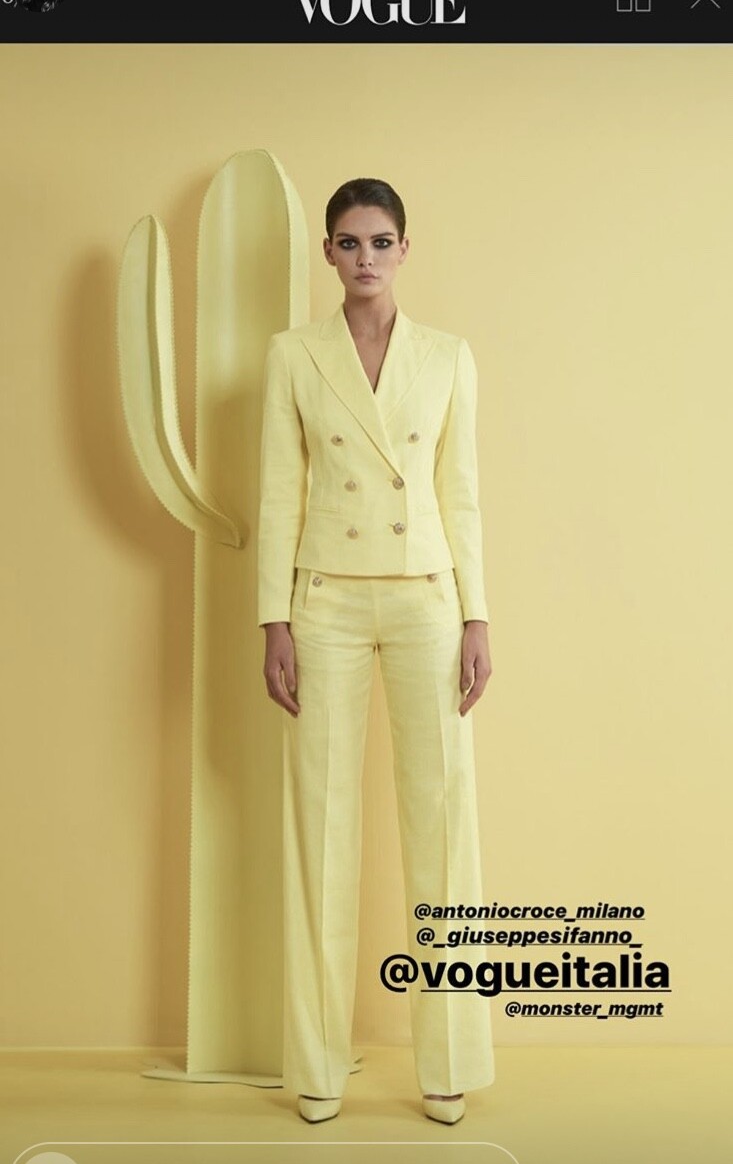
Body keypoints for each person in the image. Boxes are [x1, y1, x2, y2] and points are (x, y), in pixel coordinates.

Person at [257, 178, 494, 1125]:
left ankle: (448, 1062)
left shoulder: (447, 355)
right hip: (324, 600)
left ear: (404, 249)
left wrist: (477, 616)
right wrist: (272, 619)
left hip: (427, 597)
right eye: (349, 242)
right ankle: (317, 1065)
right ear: (327, 251)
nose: (366, 258)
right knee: (318, 822)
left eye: (381, 241)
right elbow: (280, 488)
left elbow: (460, 491)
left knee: (443, 820)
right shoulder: (293, 354)